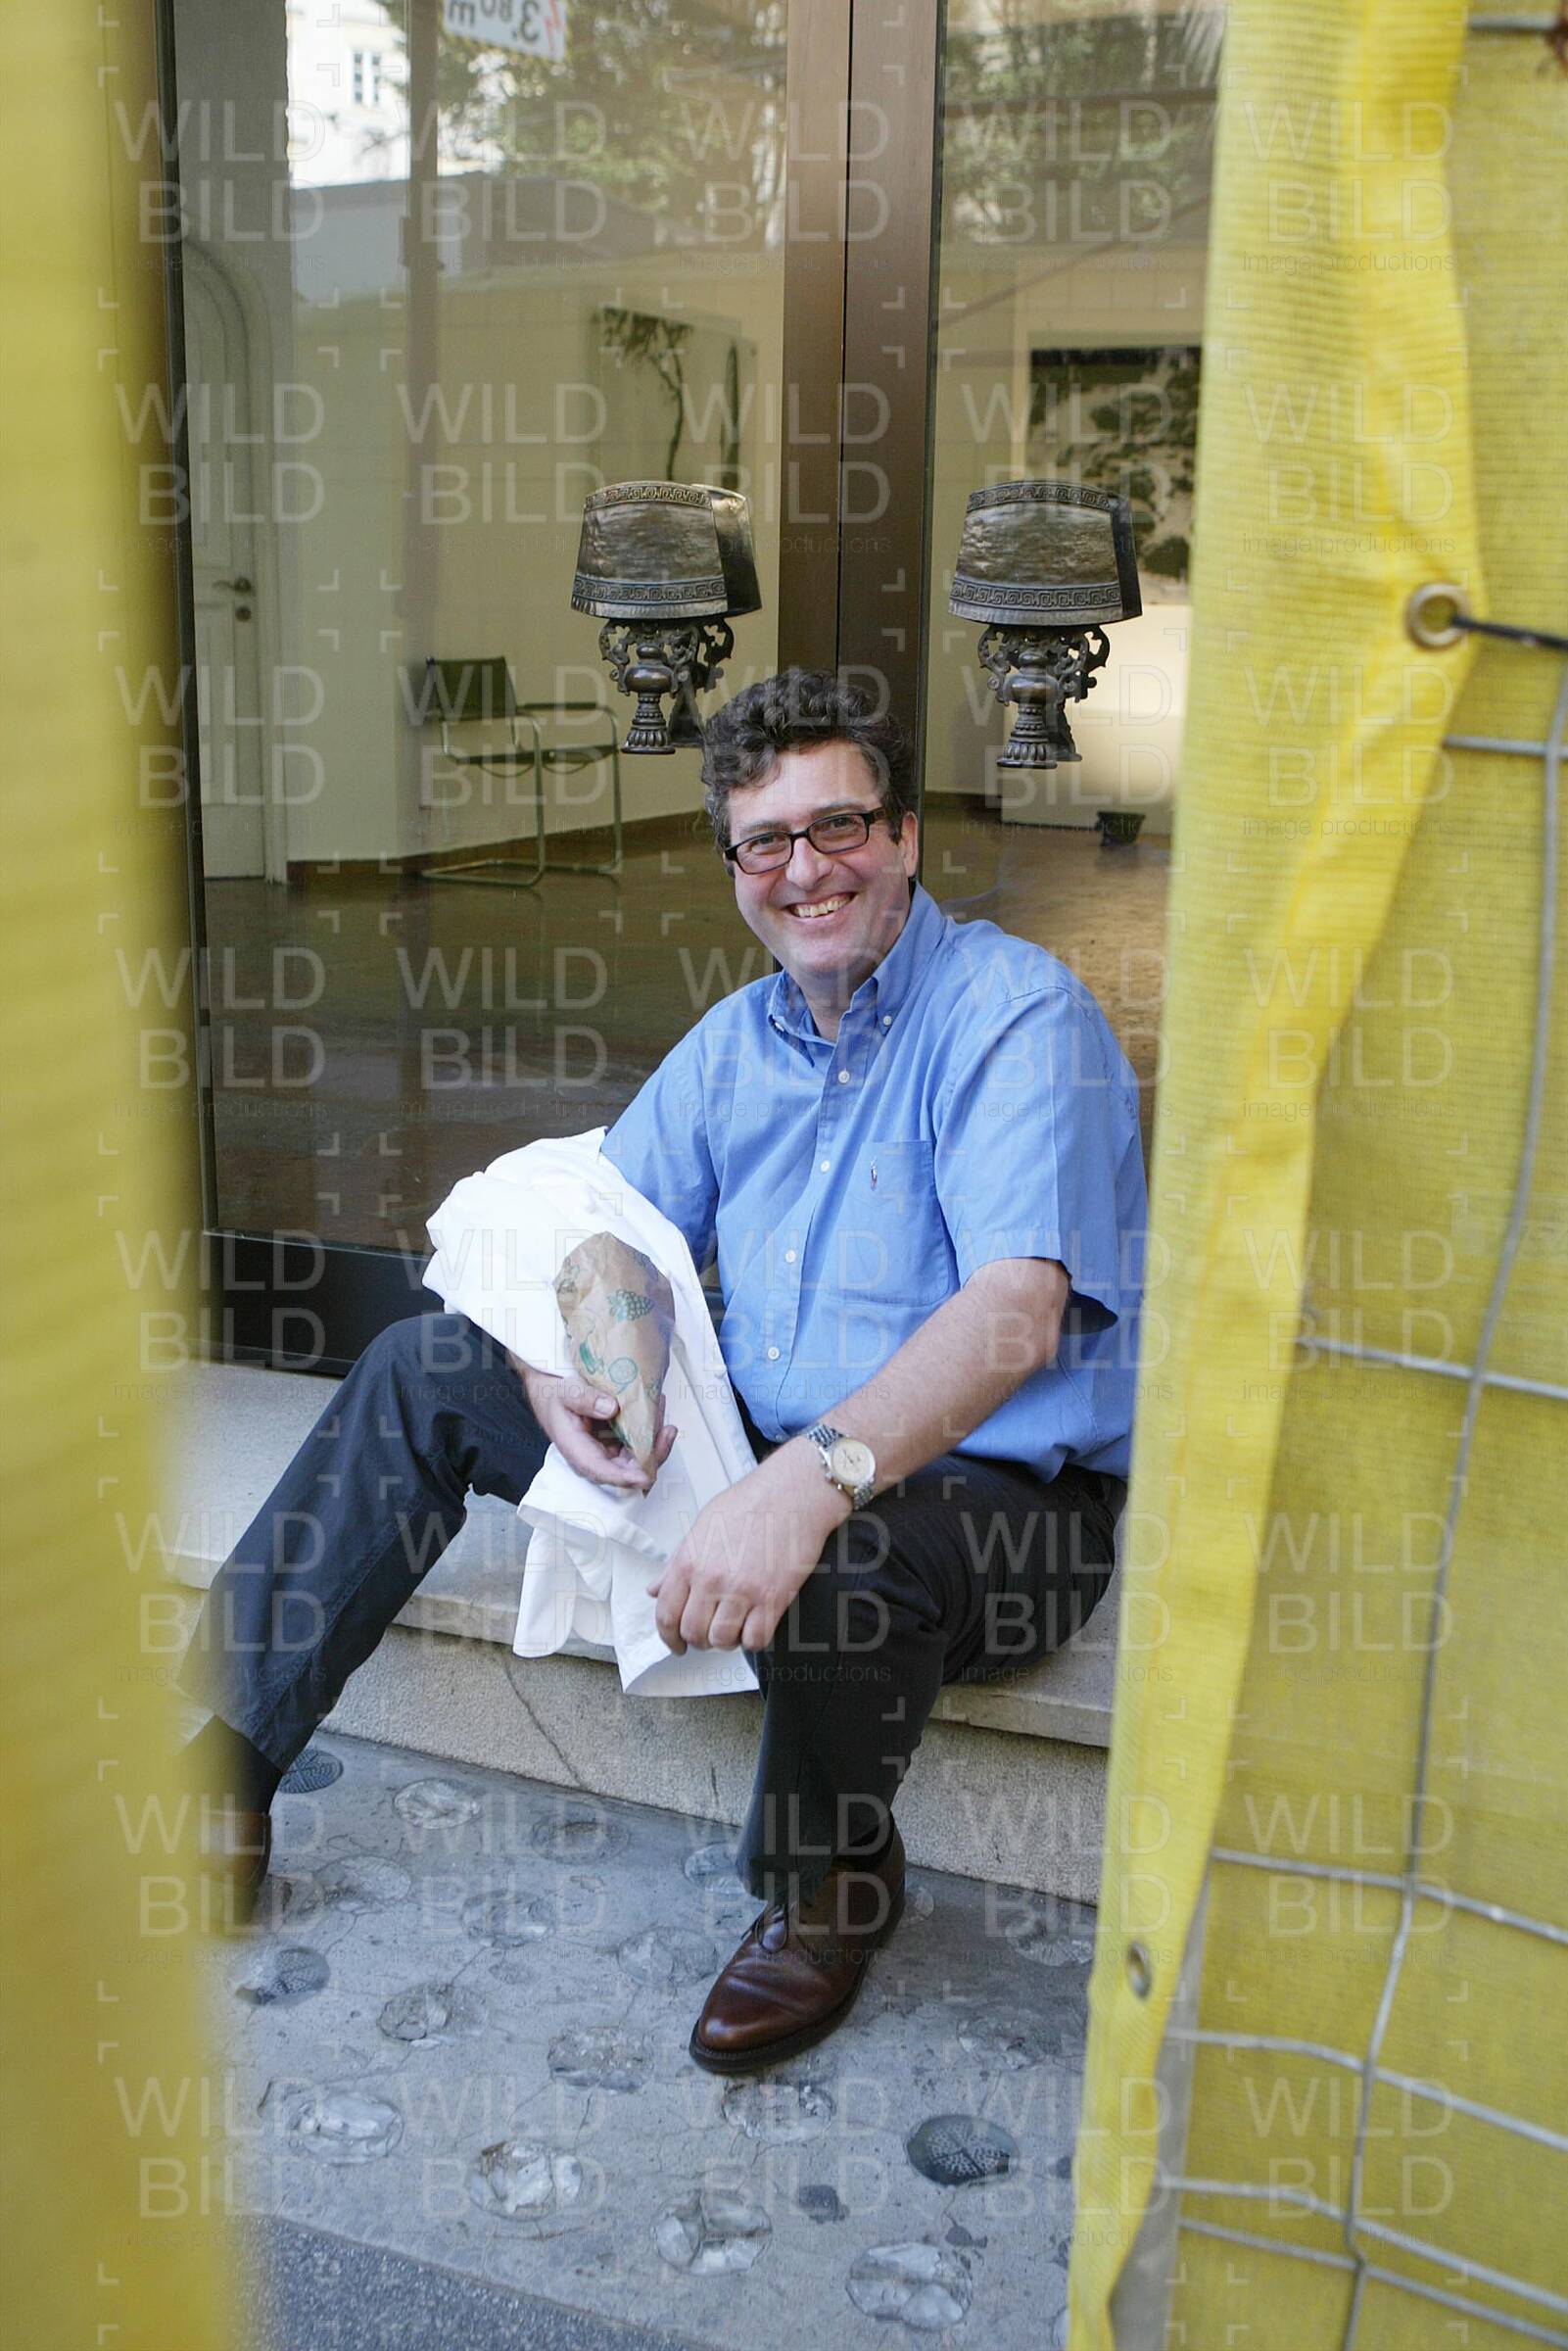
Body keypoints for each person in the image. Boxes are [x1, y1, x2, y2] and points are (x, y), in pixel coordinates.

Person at [177, 667, 1146, 2074]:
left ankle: (832, 1884)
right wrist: (558, 1372)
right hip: (767, 1442)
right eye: (765, 842)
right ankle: (229, 1764)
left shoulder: (1013, 1015)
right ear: (734, 868)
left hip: (1001, 1504)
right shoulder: (738, 1040)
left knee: (848, 1553)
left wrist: (805, 1485)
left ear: (905, 834)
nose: (805, 871)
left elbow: (1016, 1308)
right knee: (422, 1365)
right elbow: (601, 1232)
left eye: (839, 826)